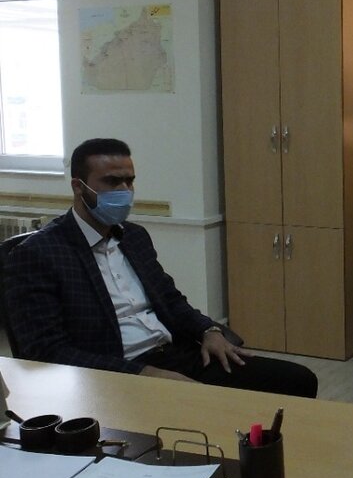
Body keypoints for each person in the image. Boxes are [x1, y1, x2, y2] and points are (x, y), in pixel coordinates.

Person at [5, 138, 318, 398]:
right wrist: (144, 373)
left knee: (297, 380)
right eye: (112, 181)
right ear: (78, 186)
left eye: (129, 181)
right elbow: (46, 351)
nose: (124, 190)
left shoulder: (134, 237)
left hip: (174, 354)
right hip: (114, 374)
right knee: (215, 409)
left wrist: (208, 330)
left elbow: (170, 300)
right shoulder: (38, 254)